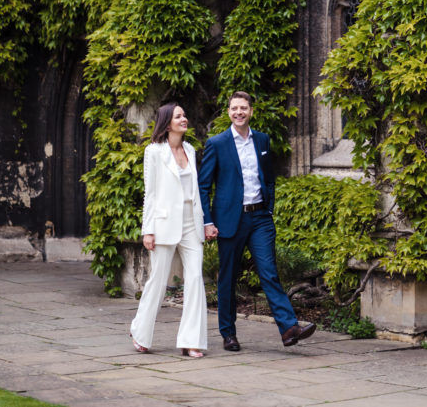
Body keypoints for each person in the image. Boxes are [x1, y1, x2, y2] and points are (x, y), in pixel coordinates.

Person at [198, 90, 316, 351]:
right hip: (230, 219)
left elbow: (268, 176)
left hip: (260, 217)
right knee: (228, 278)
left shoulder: (262, 140)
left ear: (251, 111)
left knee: (269, 272)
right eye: (234, 108)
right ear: (228, 112)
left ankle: (288, 328)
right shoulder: (217, 143)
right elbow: (203, 186)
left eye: (243, 108)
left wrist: (269, 207)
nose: (238, 112)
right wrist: (207, 221)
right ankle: (228, 333)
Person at [130, 103, 207, 357]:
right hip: (163, 223)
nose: (184, 119)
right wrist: (147, 230)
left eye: (185, 115)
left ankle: (191, 340)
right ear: (166, 122)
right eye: (178, 116)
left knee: (195, 278)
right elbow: (150, 194)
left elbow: (195, 191)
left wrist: (204, 221)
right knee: (158, 280)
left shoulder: (191, 150)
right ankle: (140, 332)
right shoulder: (154, 152)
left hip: (190, 222)